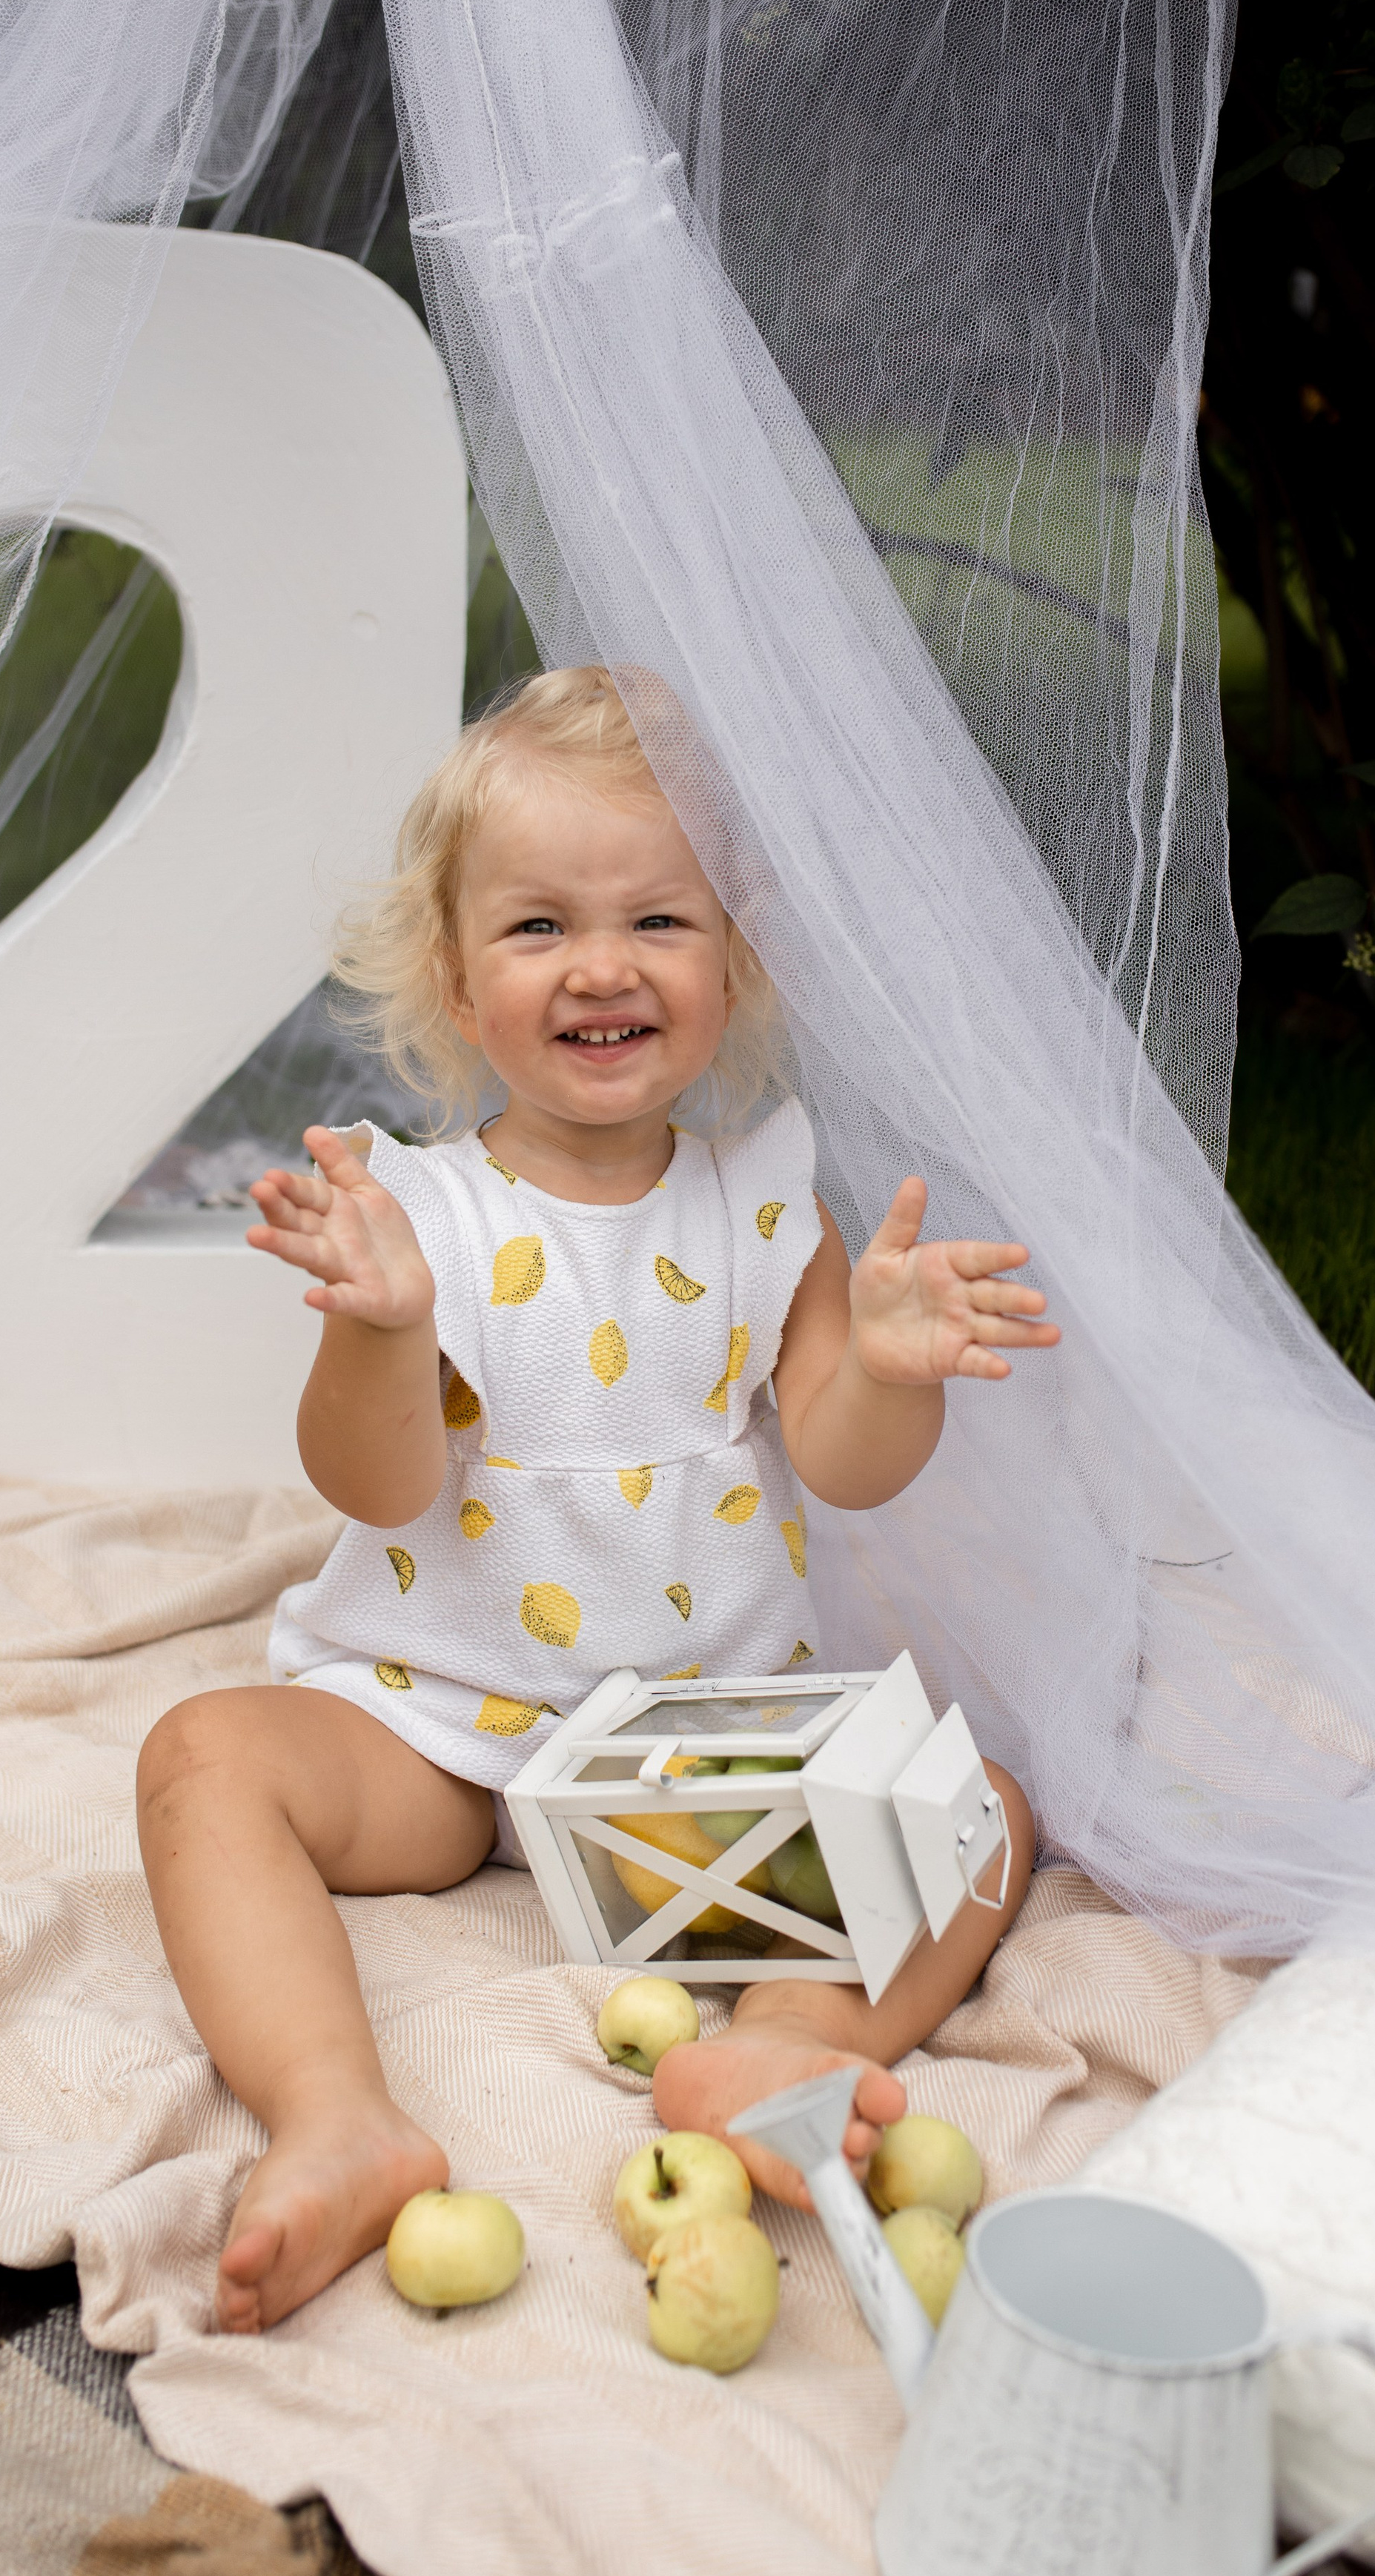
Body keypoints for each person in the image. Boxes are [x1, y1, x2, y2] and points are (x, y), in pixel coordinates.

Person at [136, 666, 1058, 2333]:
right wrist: (383, 1334)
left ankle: (792, 2042)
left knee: (982, 1801)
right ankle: (336, 2115)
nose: (603, 965)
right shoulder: (422, 1214)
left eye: (659, 919)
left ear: (738, 962)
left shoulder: (768, 1198)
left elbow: (840, 1459)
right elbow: (377, 1481)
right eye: (539, 927)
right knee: (202, 1758)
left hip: (697, 1762)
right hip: (441, 1729)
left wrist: (896, 1368)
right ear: (453, 976)